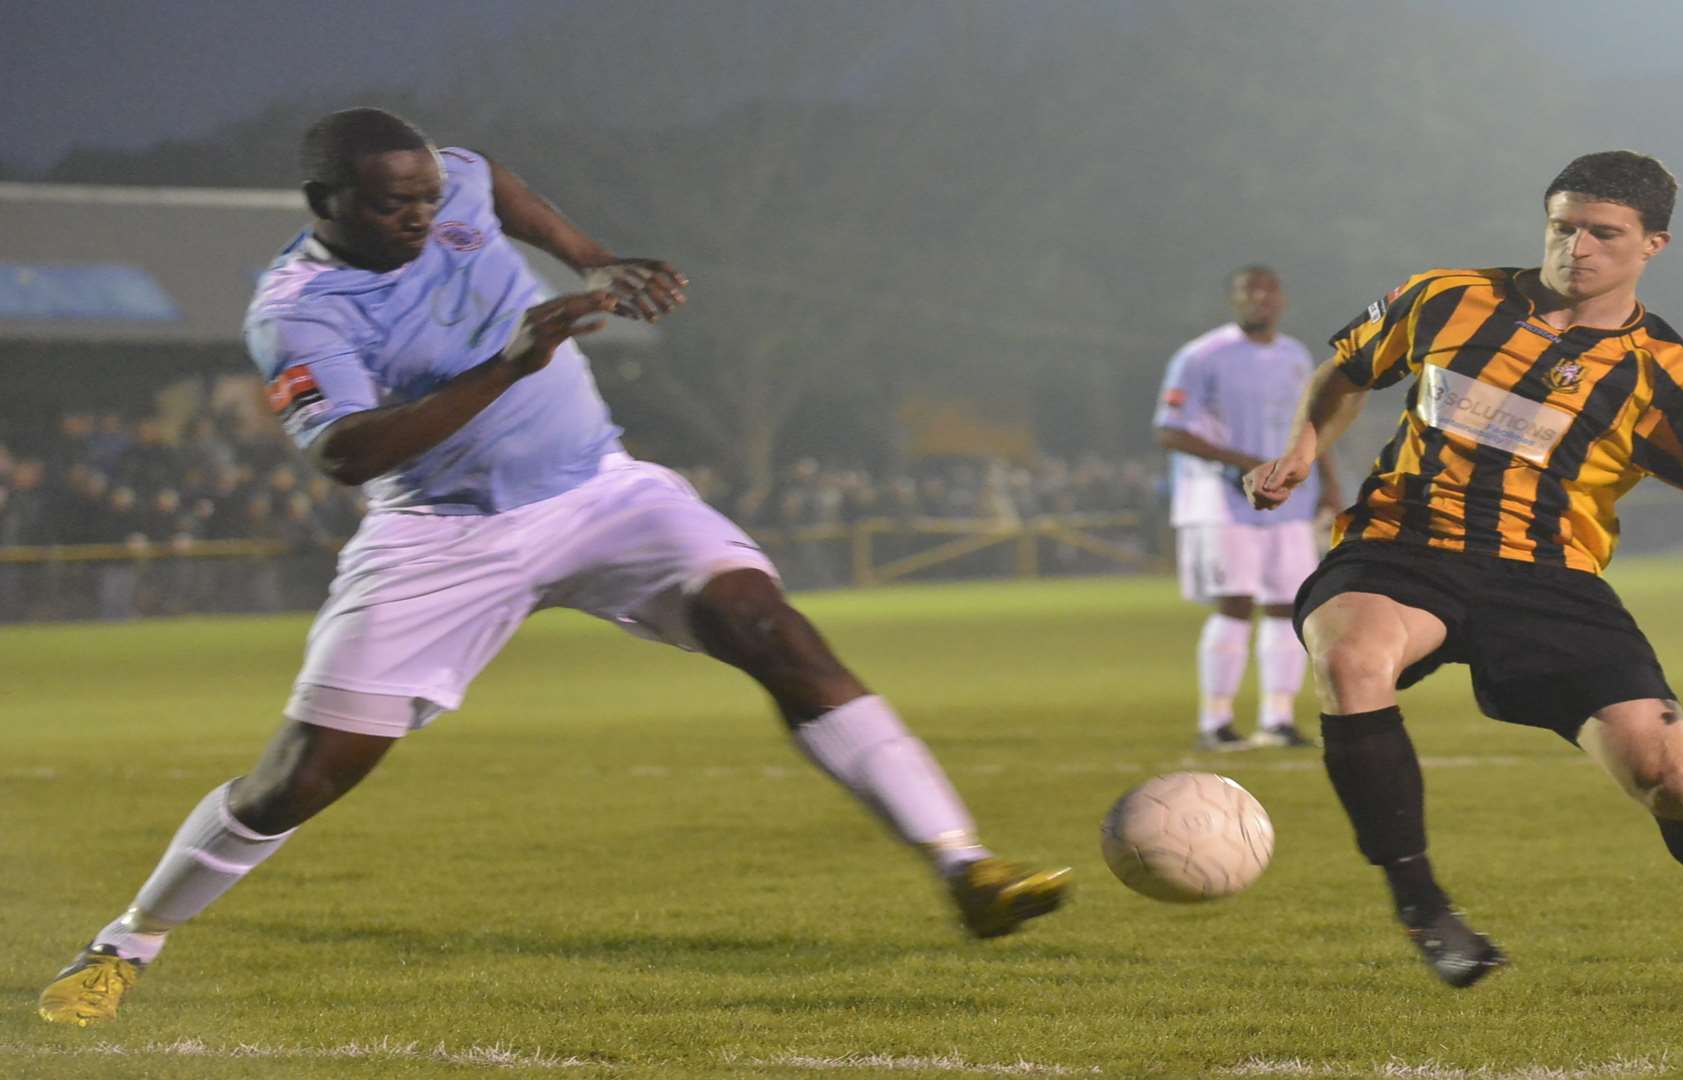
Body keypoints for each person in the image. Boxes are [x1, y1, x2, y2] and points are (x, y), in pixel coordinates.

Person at [38, 108, 1070, 1027]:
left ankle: (965, 867)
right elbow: (346, 452)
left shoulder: (454, 188)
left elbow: (500, 185)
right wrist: (509, 365)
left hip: (601, 492)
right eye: (395, 205)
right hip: (441, 535)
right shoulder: (300, 309)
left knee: (774, 631)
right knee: (300, 779)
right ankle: (128, 941)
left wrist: (593, 256)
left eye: (428, 197)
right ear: (326, 202)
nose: (421, 216)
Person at [1242, 151, 1683, 987]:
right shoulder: (1446, 297)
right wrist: (1303, 446)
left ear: (1653, 245)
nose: (1579, 249)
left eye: (1605, 233)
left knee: (1666, 773)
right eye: (1564, 227)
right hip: (1401, 548)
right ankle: (1424, 908)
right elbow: (1348, 369)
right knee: (1349, 654)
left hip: (1550, 580)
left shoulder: (1668, 372)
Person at [1154, 266, 1340, 752]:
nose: (1260, 299)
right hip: (1222, 502)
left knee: (1287, 606)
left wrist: (1329, 484)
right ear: (1233, 300)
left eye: (1268, 292)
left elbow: (1314, 423)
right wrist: (1246, 464)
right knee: (1235, 601)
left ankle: (1276, 719)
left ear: (1282, 300)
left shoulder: (1295, 356)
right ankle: (1215, 721)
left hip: (1290, 501)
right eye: (1249, 292)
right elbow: (1169, 431)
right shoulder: (1201, 356)